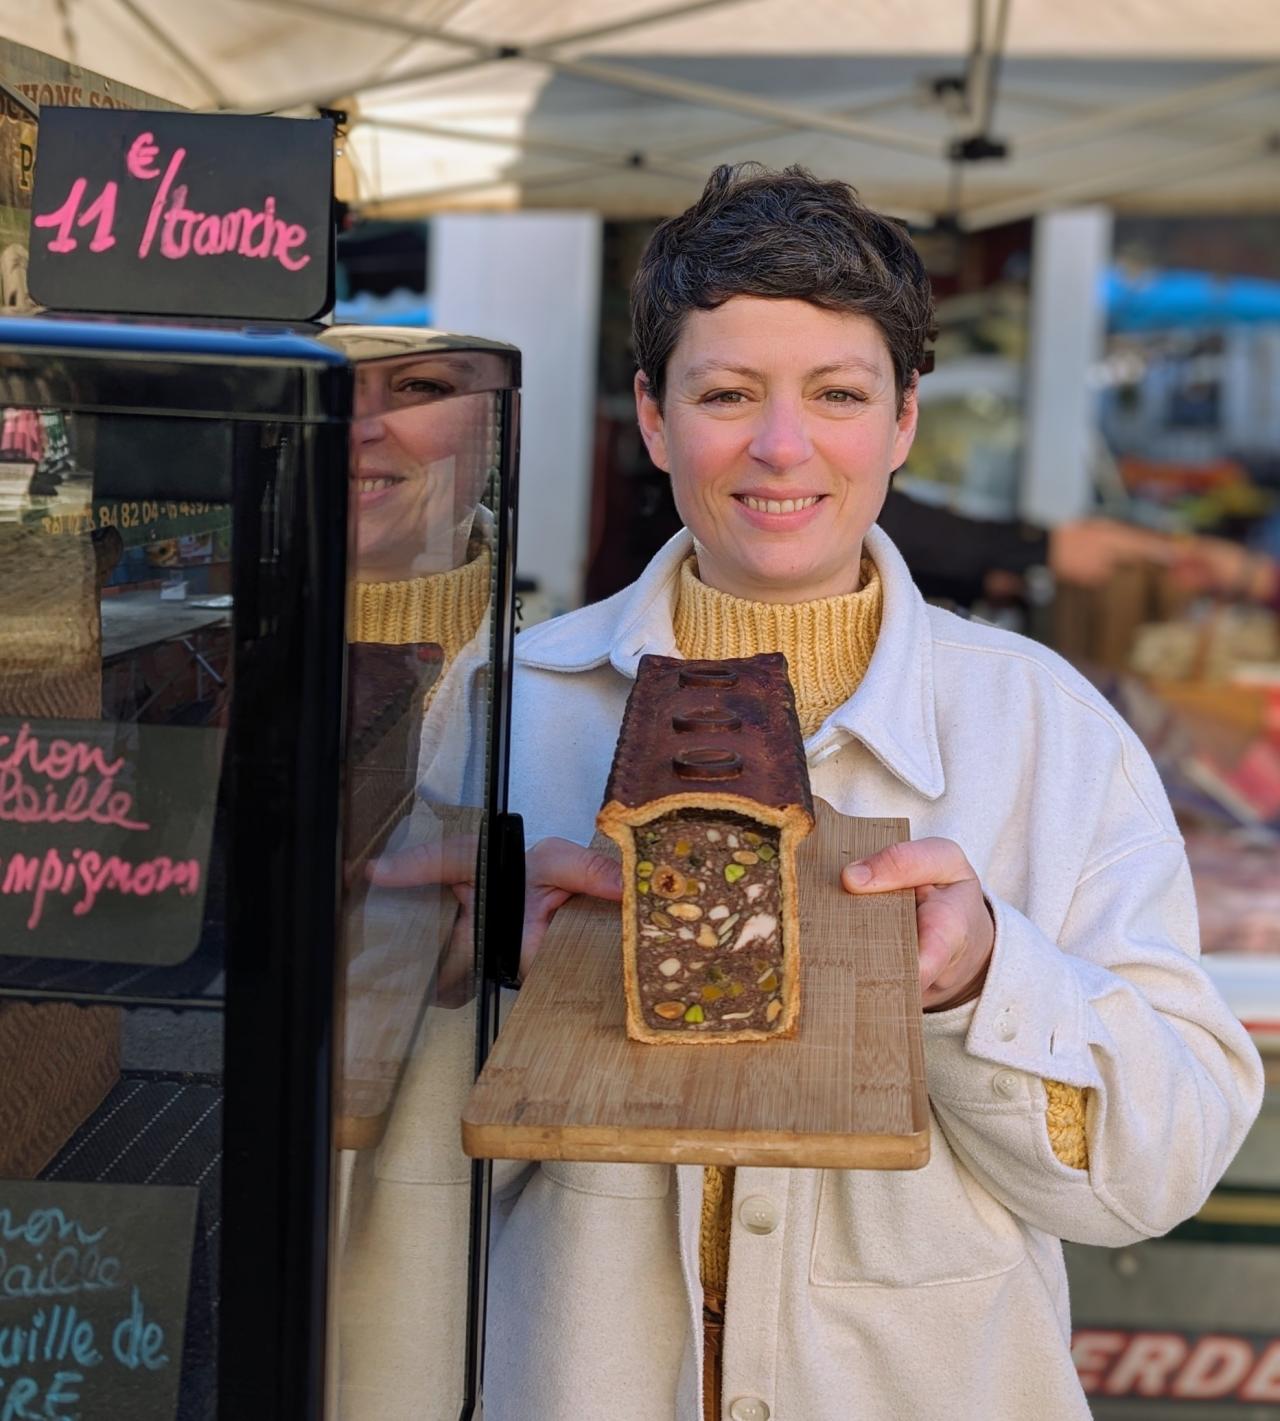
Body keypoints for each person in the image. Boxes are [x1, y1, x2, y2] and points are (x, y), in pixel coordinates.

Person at [490, 165, 1264, 1421]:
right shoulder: (506, 711)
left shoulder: (1044, 727)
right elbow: (365, 1173)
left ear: (903, 420)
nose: (781, 446)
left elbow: (1160, 1167)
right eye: (726, 393)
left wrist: (979, 981)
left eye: (837, 395)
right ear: (650, 414)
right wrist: (478, 981)